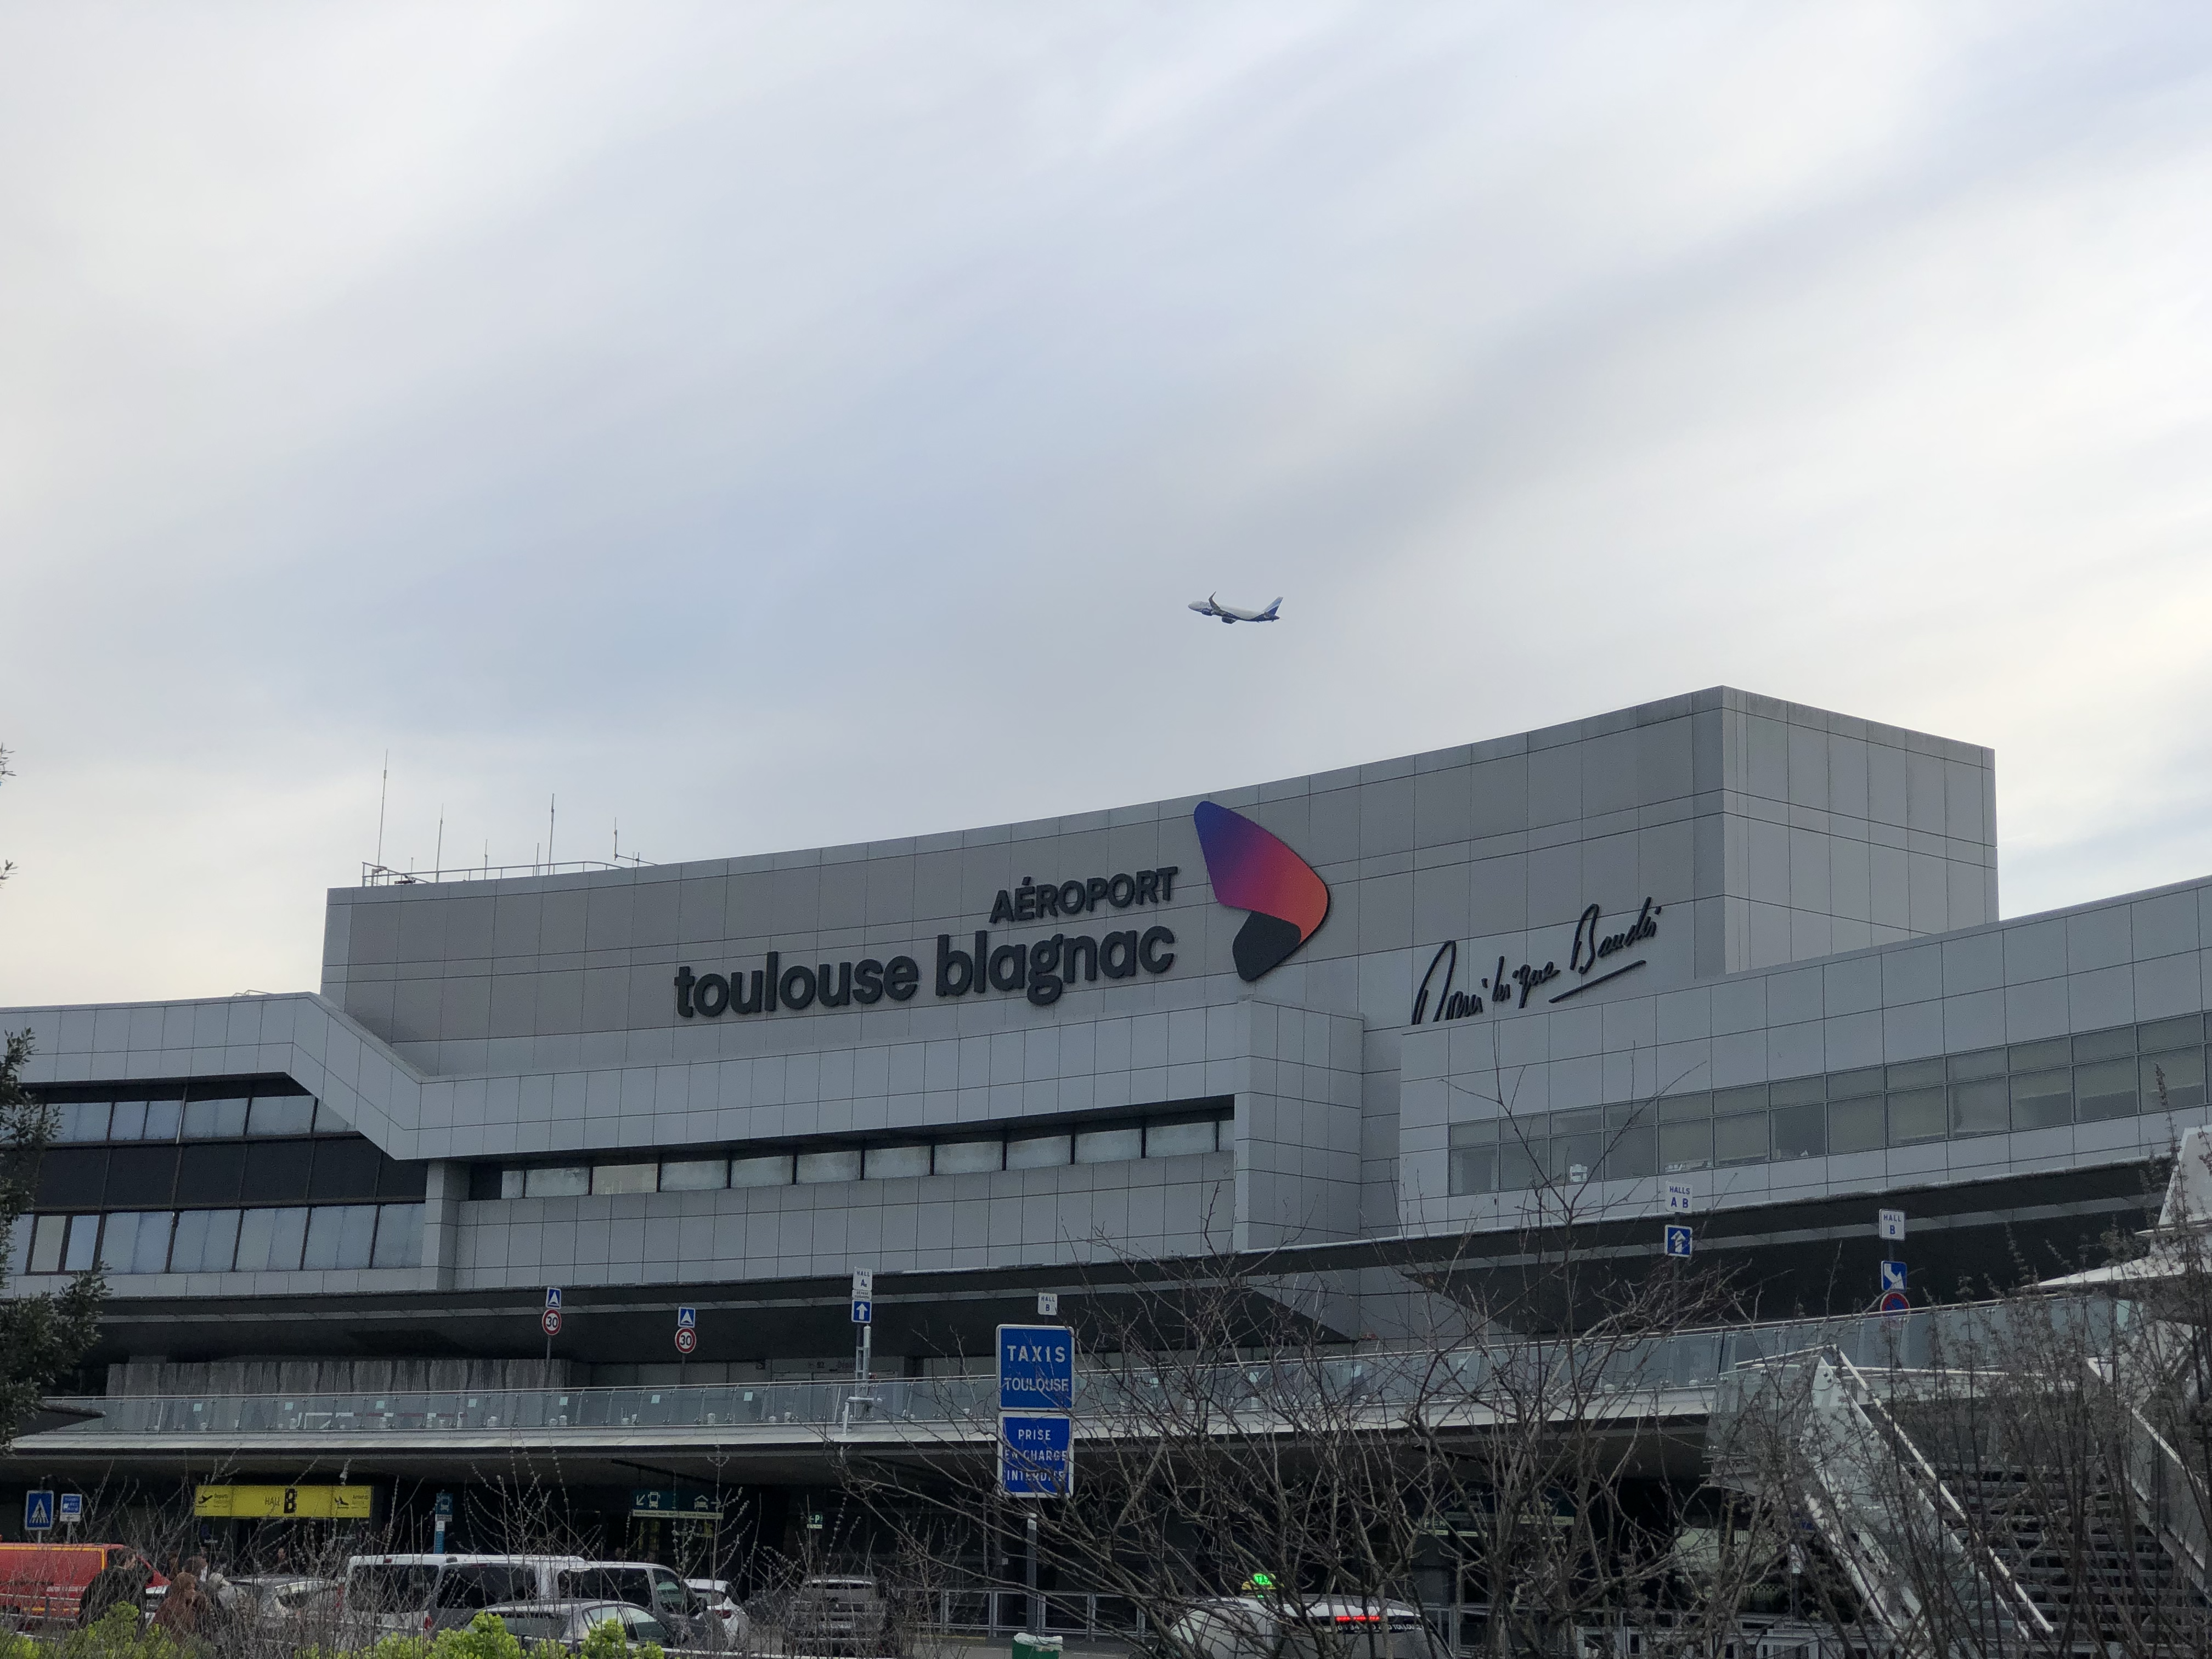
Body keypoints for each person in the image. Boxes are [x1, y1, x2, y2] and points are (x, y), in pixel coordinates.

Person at [153, 1571, 207, 1637]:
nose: (193, 1592)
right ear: (183, 1589)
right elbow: (156, 1625)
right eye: (191, 1589)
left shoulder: (189, 1606)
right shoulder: (170, 1605)